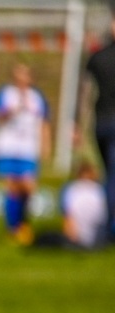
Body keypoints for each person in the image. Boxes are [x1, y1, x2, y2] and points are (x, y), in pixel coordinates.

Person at [0, 61, 52, 246]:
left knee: (28, 186)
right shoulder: (6, 94)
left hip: (28, 148)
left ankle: (23, 223)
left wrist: (45, 145)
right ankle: (13, 227)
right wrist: (13, 110)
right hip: (8, 147)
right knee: (12, 186)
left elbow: (44, 122)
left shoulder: (37, 97)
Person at [81, 18, 115, 242]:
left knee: (109, 175)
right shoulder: (98, 57)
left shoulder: (97, 56)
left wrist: (79, 124)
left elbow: (84, 94)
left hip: (101, 123)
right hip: (108, 123)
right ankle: (111, 227)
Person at [59, 160, 109, 249]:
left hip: (75, 238)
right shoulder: (100, 190)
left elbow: (67, 219)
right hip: (99, 239)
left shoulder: (70, 189)